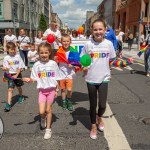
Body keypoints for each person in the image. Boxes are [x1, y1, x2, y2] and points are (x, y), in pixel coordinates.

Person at [80, 18, 116, 140]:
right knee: (93, 104)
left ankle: (99, 117)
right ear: (92, 30)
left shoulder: (109, 44)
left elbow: (111, 59)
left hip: (104, 77)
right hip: (90, 78)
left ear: (105, 30)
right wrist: (84, 67)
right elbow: (83, 60)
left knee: (102, 105)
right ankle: (93, 126)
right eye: (95, 29)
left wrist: (109, 68)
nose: (98, 31)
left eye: (100, 29)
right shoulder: (88, 44)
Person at [23, 42, 63, 140]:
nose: (44, 55)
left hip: (51, 90)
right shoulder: (37, 65)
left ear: (49, 53)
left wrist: (57, 89)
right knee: (41, 112)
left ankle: (48, 129)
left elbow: (57, 77)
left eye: (46, 52)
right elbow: (34, 78)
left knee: (48, 110)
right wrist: (29, 79)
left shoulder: (53, 64)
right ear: (39, 53)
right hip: (42, 91)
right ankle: (42, 118)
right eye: (41, 53)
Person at [2, 42, 25, 112]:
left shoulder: (18, 56)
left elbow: (20, 67)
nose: (12, 51)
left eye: (13, 49)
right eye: (11, 49)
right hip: (9, 75)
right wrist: (5, 69)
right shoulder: (6, 58)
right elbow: (5, 67)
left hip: (17, 74)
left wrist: (16, 75)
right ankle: (8, 104)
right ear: (7, 50)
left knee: (19, 87)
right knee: (10, 89)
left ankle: (21, 96)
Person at [56, 34, 76, 111]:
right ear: (61, 42)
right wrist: (56, 60)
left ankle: (69, 101)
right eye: (64, 41)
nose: (65, 43)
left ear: (70, 42)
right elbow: (56, 62)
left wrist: (73, 64)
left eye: (67, 41)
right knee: (63, 89)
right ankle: (64, 102)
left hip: (70, 73)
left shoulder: (73, 50)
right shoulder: (59, 51)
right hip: (61, 73)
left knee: (69, 89)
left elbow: (77, 61)